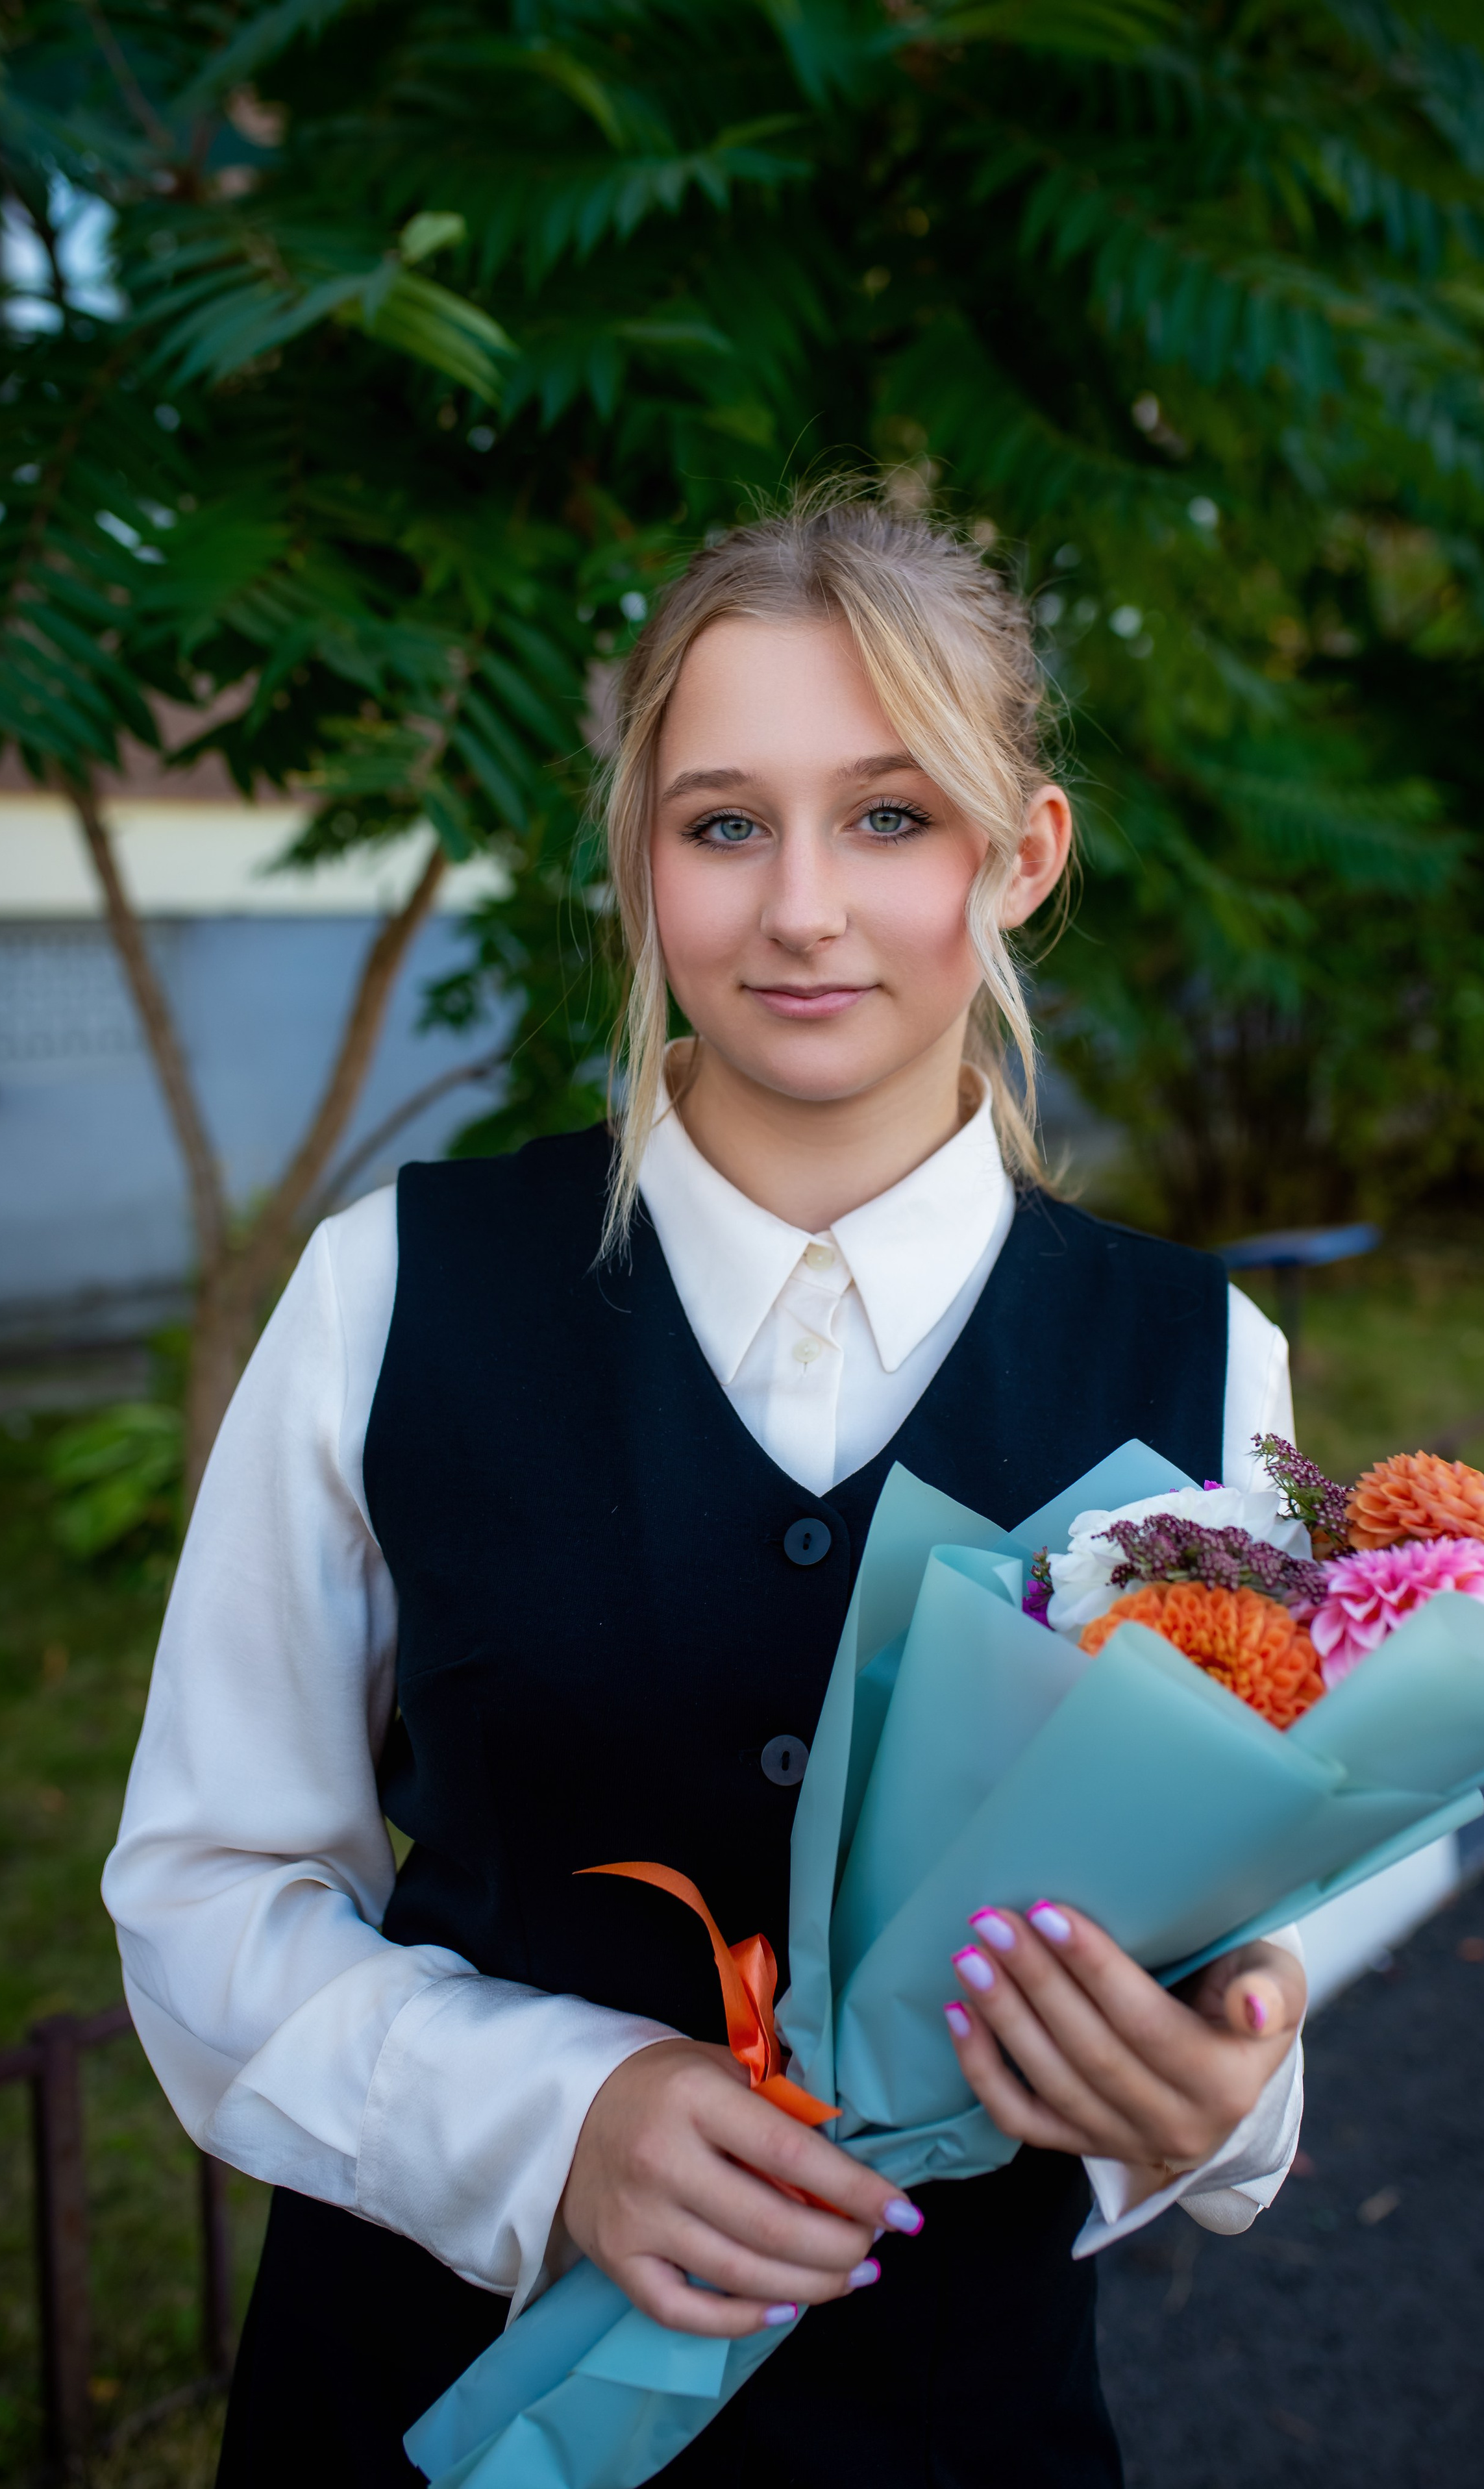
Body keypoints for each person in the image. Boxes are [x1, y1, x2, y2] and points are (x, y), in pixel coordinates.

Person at [105, 493, 1308, 2488]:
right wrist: (553, 2115)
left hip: (957, 2425)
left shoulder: (1202, 1366)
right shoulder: (394, 1289)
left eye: (893, 817)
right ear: (641, 861)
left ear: (1024, 858)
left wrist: (1221, 2094)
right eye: (725, 822)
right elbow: (208, 1885)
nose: (802, 907)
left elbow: (1244, 1943)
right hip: (418, 2404)